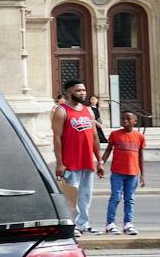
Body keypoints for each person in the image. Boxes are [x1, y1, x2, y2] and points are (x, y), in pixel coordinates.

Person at [50, 79, 104, 234]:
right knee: (71, 195)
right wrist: (59, 163)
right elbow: (57, 138)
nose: (83, 93)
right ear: (69, 92)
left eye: (84, 90)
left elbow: (94, 137)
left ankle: (83, 224)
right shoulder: (61, 111)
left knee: (86, 195)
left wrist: (99, 160)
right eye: (79, 90)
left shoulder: (89, 110)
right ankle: (71, 225)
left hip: (87, 160)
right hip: (70, 162)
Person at [101, 110, 145, 235]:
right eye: (123, 119)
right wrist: (101, 163)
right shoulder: (115, 134)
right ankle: (110, 224)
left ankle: (128, 224)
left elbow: (140, 155)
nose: (125, 121)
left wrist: (143, 175)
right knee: (115, 197)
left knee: (130, 199)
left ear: (134, 121)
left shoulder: (139, 137)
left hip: (133, 173)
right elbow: (108, 150)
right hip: (117, 172)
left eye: (128, 119)